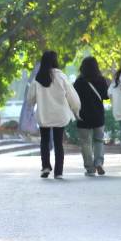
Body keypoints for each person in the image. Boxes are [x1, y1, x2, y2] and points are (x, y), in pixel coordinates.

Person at [27, 50, 81, 179]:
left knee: (44, 141)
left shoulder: (38, 79)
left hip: (44, 114)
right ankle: (58, 172)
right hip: (60, 115)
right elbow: (72, 96)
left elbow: (30, 99)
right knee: (58, 143)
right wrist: (76, 109)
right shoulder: (61, 76)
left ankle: (45, 166)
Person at [73, 56, 109, 176]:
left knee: (85, 142)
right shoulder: (101, 80)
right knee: (99, 140)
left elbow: (74, 99)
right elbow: (106, 96)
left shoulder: (78, 82)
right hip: (98, 116)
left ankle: (90, 168)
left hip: (83, 117)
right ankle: (99, 163)